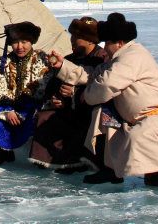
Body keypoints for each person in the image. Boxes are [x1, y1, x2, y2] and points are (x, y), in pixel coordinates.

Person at [48, 12, 158, 195]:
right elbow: (92, 74)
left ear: (118, 42)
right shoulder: (117, 58)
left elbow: (106, 85)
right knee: (106, 120)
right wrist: (62, 66)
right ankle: (111, 171)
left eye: (107, 44)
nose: (105, 48)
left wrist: (85, 96)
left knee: (141, 135)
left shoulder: (132, 56)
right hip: (135, 117)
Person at [29, 16, 108, 172]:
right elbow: (53, 84)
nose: (72, 40)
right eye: (73, 36)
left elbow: (101, 85)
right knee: (45, 117)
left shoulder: (101, 59)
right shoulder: (69, 59)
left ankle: (81, 160)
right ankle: (56, 160)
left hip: (89, 108)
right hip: (67, 108)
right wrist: (55, 98)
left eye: (77, 37)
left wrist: (75, 93)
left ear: (90, 40)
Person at [0, 21, 52, 166]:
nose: (20, 47)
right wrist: (7, 111)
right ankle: (3, 152)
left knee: (40, 115)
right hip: (7, 106)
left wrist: (22, 109)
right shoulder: (3, 62)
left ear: (31, 42)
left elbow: (42, 87)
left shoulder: (42, 59)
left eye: (24, 42)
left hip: (32, 105)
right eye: (15, 42)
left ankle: (40, 155)